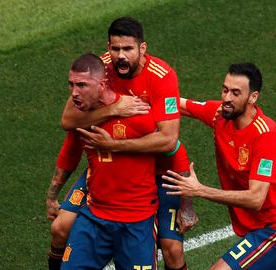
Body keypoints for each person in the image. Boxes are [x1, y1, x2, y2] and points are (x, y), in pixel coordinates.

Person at [52, 16, 197, 270]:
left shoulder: (162, 77)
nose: (120, 55)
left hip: (157, 168)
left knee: (172, 249)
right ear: (108, 47)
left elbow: (168, 140)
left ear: (142, 49)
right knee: (60, 227)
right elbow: (68, 120)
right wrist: (114, 109)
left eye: (127, 49)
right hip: (111, 163)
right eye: (115, 48)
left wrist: (113, 145)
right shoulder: (100, 69)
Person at [162, 63, 276, 270]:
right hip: (255, 228)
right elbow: (177, 104)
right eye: (225, 89)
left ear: (253, 97)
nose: (227, 98)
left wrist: (199, 190)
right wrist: (134, 101)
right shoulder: (219, 114)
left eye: (236, 93)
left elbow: (256, 198)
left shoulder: (265, 135)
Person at [58, 52, 160, 269]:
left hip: (135, 222)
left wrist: (184, 203)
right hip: (95, 218)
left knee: (172, 249)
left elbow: (171, 148)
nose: (74, 93)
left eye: (82, 85)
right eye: (71, 85)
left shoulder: (138, 113)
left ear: (102, 84)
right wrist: (52, 194)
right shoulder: (81, 116)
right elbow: (68, 134)